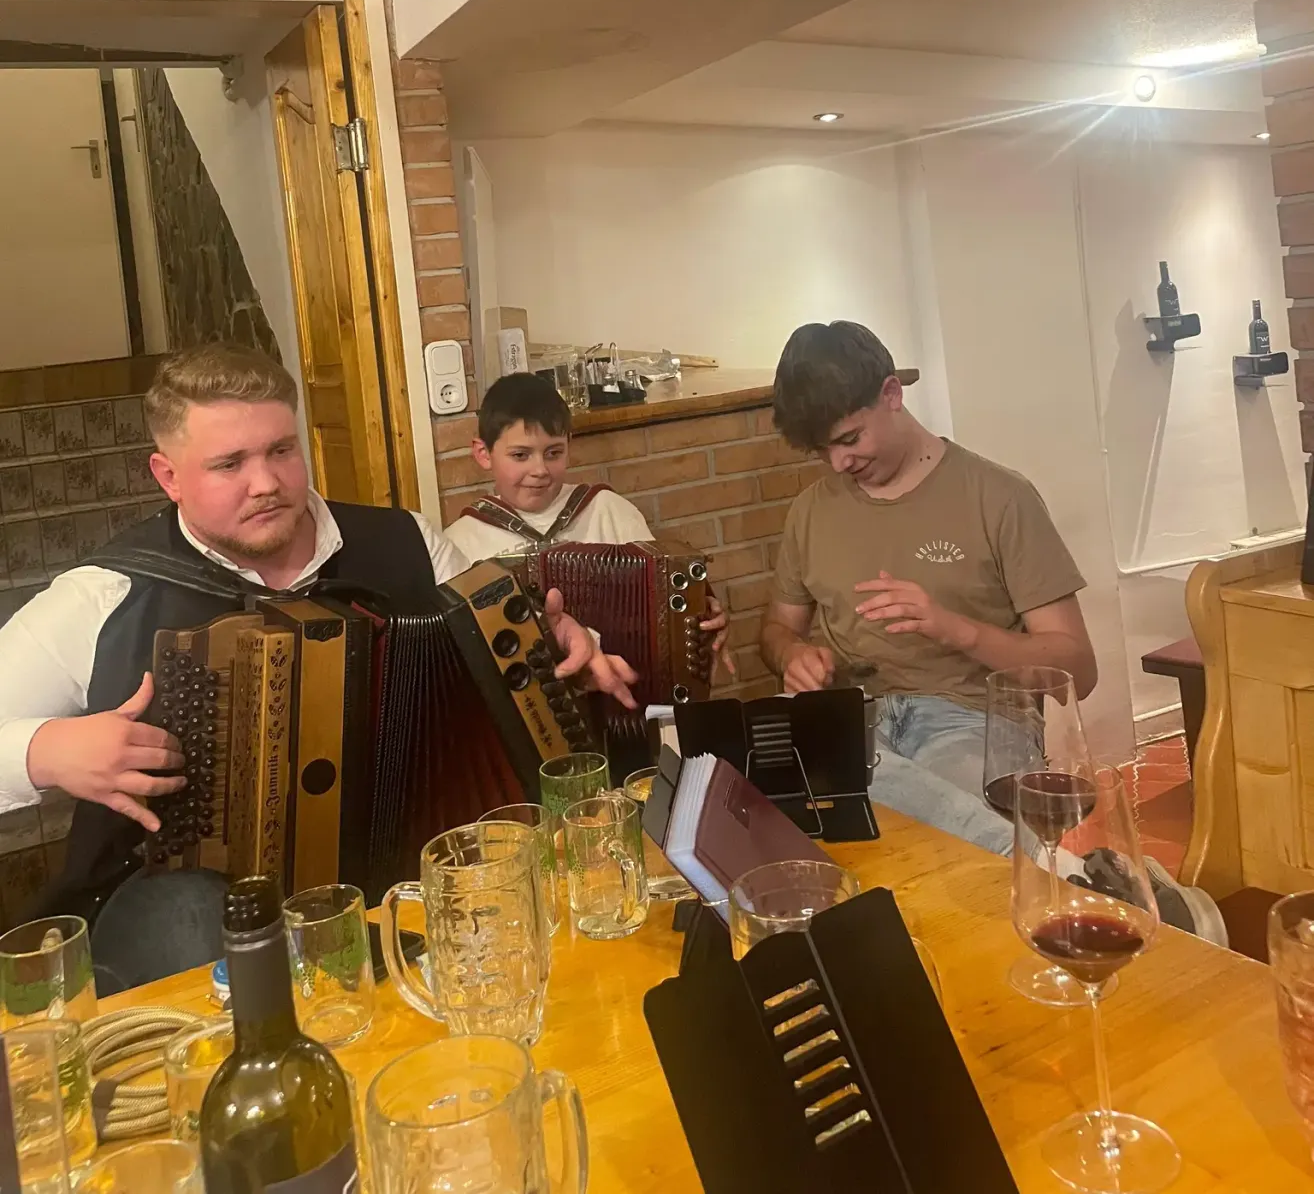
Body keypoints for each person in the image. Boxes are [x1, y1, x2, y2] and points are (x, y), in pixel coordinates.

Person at [0, 344, 639, 991]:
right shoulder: (105, 597)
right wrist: (46, 750)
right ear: (168, 476)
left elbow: (500, 642)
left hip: (400, 876)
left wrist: (564, 642)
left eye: (281, 450)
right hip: (186, 912)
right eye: (229, 464)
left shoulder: (407, 543)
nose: (267, 482)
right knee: (191, 929)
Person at [760, 320, 1224, 940]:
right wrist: (792, 653)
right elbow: (776, 629)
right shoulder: (811, 512)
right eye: (823, 452)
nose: (840, 463)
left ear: (893, 394)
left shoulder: (999, 498)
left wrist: (955, 628)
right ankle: (1071, 875)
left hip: (970, 718)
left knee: (918, 825)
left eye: (849, 438)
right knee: (805, 793)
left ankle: (1061, 880)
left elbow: (1075, 670)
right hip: (851, 716)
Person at [443, 371, 730, 668]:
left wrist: (701, 615)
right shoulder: (460, 544)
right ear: (483, 453)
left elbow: (671, 597)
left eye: (553, 453)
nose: (539, 469)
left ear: (570, 444)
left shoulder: (608, 510)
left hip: (629, 694)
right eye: (520, 455)